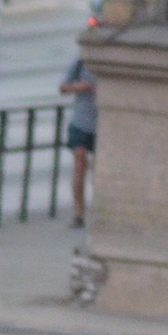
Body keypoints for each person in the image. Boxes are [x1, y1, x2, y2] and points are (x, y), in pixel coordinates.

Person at [59, 53, 96, 228]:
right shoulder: (81, 60)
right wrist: (79, 86)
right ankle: (79, 213)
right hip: (81, 121)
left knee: (99, 169)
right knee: (80, 161)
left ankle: (99, 209)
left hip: (103, 123)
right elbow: (63, 87)